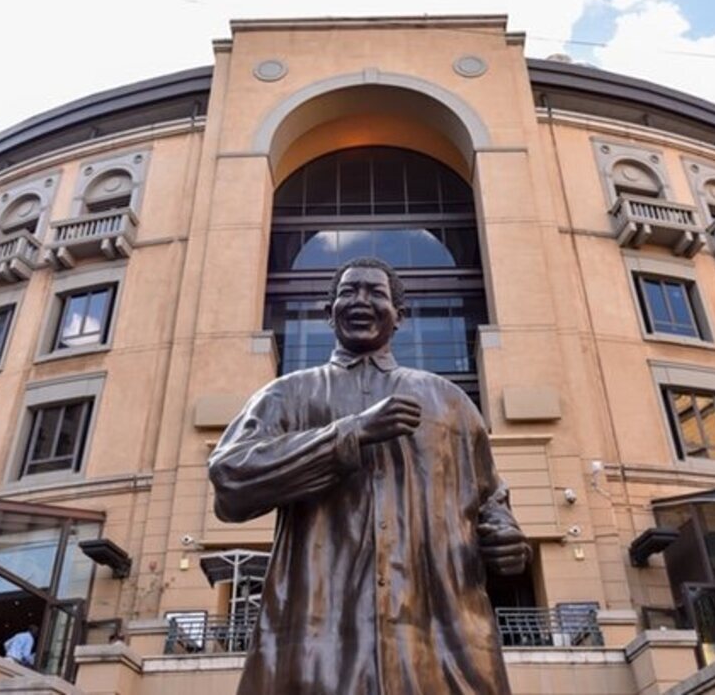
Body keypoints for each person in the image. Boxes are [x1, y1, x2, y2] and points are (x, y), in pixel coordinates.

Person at [209, 257, 531, 694]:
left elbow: (491, 500)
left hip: (441, 646)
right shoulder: (287, 394)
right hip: (316, 644)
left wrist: (505, 538)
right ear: (330, 312)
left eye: (376, 293)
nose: (361, 300)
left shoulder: (450, 402)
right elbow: (230, 478)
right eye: (349, 291)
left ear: (400, 315)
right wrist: (351, 434)